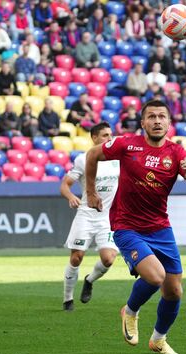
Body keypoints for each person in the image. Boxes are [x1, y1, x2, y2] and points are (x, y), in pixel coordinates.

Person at [85, 100, 186, 354]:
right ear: (143, 123)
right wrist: (90, 191)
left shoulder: (176, 153)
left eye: (162, 116)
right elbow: (92, 154)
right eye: (151, 116)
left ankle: (158, 340)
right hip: (127, 226)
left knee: (174, 291)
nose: (157, 120)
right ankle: (130, 310)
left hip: (160, 228)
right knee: (155, 276)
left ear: (169, 123)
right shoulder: (126, 144)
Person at [61, 122, 120, 311]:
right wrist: (71, 196)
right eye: (105, 135)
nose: (109, 139)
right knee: (77, 257)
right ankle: (68, 299)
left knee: (109, 259)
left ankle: (89, 280)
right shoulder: (83, 159)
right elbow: (65, 185)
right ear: (94, 138)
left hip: (108, 218)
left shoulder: (118, 159)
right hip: (86, 215)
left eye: (111, 135)